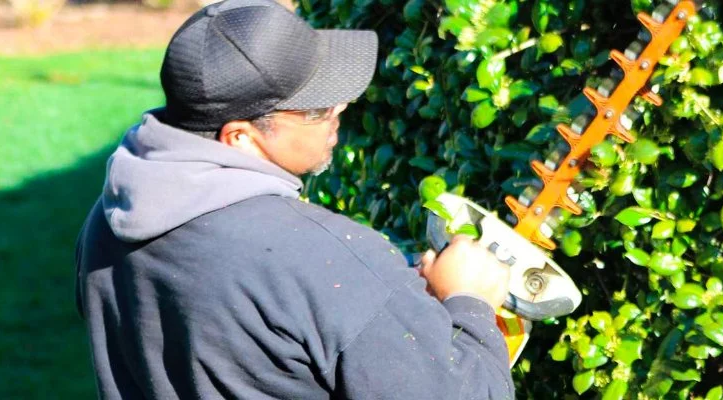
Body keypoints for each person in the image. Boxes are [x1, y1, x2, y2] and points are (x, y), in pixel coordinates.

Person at [74, 0, 515, 398]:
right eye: (316, 108)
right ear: (241, 136)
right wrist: (469, 301)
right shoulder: (327, 261)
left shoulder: (108, 223)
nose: (340, 107)